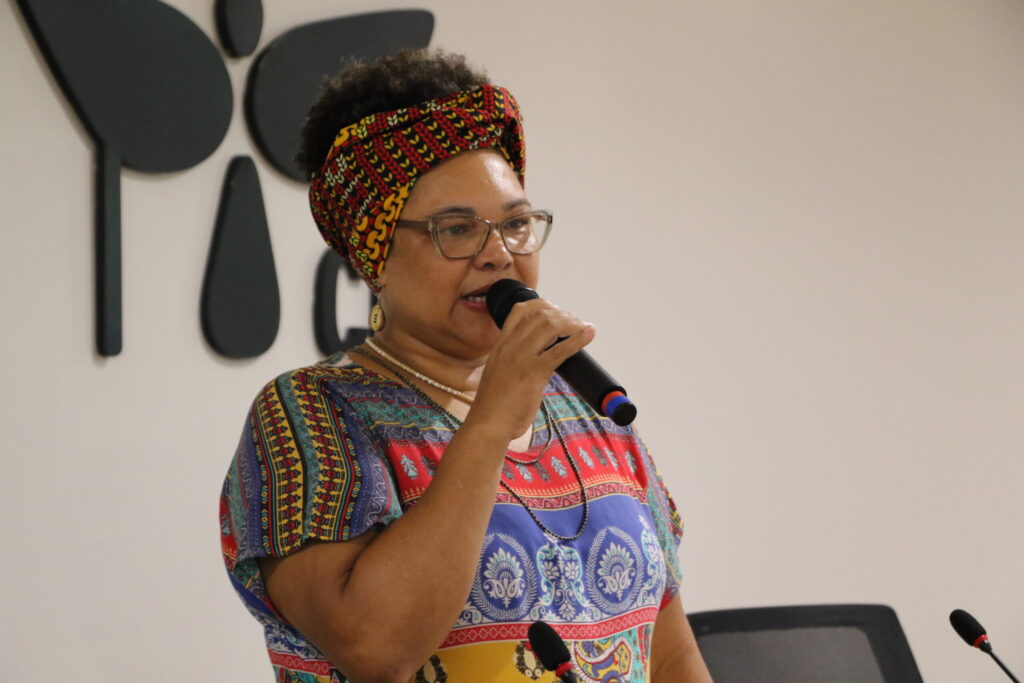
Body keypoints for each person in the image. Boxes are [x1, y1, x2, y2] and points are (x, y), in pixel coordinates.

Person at [220, 49, 712, 683]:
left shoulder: (588, 409)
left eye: (516, 224)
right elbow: (374, 649)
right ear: (375, 256)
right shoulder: (311, 415)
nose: (497, 254)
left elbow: (669, 655)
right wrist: (491, 422)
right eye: (456, 229)